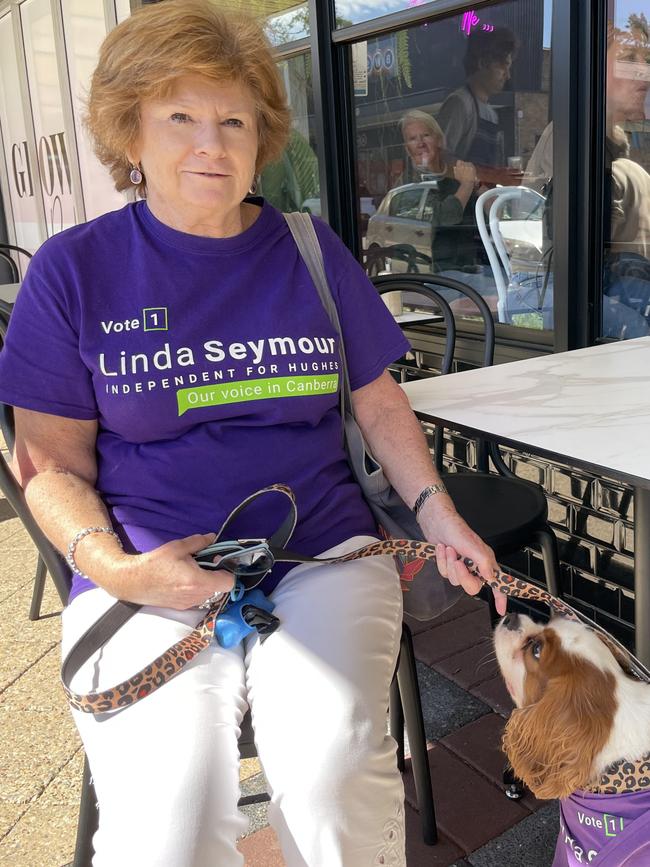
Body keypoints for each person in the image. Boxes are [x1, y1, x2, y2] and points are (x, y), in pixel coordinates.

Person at [0, 3, 502, 865]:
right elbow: (45, 461)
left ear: (262, 134)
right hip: (147, 561)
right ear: (130, 132)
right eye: (180, 117)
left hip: (322, 552)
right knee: (170, 817)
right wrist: (118, 567)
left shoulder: (309, 248)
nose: (213, 144)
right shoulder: (73, 271)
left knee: (331, 770)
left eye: (234, 119)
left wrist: (437, 511)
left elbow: (378, 402)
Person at [400, 109, 480, 272]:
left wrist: (478, 186)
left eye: (426, 135)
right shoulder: (408, 185)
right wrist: (466, 185)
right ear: (407, 148)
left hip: (473, 270)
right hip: (434, 276)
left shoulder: (457, 176)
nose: (420, 143)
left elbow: (489, 218)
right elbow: (444, 218)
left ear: (439, 140)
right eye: (413, 139)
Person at [437, 27, 518, 173]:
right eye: (503, 66)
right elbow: (440, 159)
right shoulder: (460, 104)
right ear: (482, 63)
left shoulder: (491, 113)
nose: (507, 75)